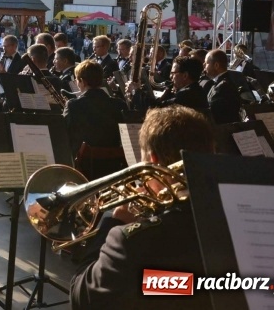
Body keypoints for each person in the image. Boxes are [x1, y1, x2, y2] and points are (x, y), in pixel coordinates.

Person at [70, 106, 214, 310]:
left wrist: (113, 223)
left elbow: (82, 299)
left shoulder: (129, 241)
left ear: (152, 160)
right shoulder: (236, 215)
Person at [63, 60, 128, 165]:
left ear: (82, 81)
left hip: (85, 164)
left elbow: (65, 134)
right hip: (114, 163)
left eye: (77, 80)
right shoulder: (120, 104)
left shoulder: (73, 105)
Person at [203, 49, 243, 124]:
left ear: (216, 65)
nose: (204, 66)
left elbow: (214, 113)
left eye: (206, 63)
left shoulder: (223, 87)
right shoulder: (222, 82)